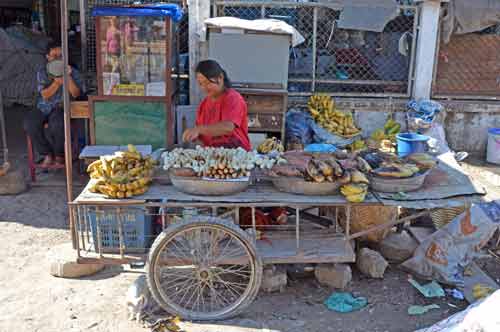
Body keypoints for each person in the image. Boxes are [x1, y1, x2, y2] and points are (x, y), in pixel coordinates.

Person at [24, 40, 82, 167]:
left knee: (58, 124)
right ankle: (47, 153)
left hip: (62, 107)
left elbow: (76, 94)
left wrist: (68, 77)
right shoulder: (43, 72)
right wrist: (56, 82)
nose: (57, 59)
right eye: (54, 56)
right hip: (43, 107)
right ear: (48, 57)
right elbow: (45, 95)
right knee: (30, 124)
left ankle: (59, 155)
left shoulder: (73, 71)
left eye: (60, 56)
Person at [182, 60, 251, 151]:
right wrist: (193, 135)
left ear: (220, 77)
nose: (204, 87)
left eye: (208, 82)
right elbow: (201, 136)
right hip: (212, 156)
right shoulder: (203, 105)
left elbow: (228, 127)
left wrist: (198, 130)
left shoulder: (233, 98)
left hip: (236, 154)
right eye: (201, 83)